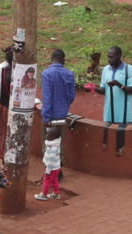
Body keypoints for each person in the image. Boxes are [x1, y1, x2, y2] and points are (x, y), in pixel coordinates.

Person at [41, 49, 75, 181]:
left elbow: (47, 98)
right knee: (59, 143)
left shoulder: (46, 74)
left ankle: (50, 172)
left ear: (52, 58)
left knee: (48, 144)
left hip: (50, 116)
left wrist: (46, 117)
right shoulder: (69, 74)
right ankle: (58, 170)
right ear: (63, 59)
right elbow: (71, 96)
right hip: (62, 114)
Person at [96, 46, 132, 124]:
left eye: (112, 57)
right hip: (109, 114)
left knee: (123, 136)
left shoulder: (128, 69)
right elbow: (104, 90)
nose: (109, 60)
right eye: (108, 57)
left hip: (123, 115)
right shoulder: (106, 69)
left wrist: (118, 84)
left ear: (119, 56)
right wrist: (93, 88)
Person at [34, 126, 61, 201]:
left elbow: (51, 161)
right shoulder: (56, 141)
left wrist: (48, 170)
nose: (46, 135)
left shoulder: (53, 148)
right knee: (54, 180)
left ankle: (43, 195)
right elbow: (53, 133)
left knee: (46, 180)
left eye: (48, 134)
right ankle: (56, 193)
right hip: (56, 167)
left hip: (51, 168)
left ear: (52, 137)